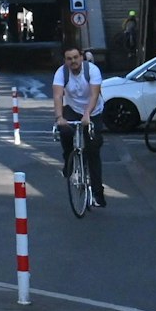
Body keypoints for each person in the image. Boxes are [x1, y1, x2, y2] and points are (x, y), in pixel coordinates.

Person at [52, 44, 106, 207]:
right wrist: (59, 117)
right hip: (73, 108)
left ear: (81, 57)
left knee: (92, 149)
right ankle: (68, 159)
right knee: (65, 130)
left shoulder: (92, 71)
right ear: (65, 61)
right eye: (69, 59)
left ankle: (98, 193)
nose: (73, 61)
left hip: (93, 110)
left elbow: (94, 94)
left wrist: (88, 114)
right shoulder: (61, 73)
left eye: (76, 57)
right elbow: (57, 95)